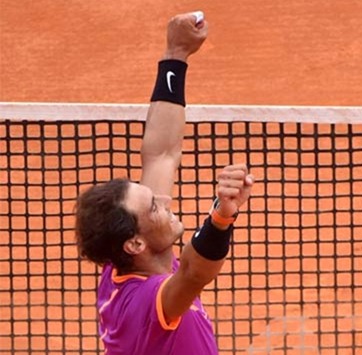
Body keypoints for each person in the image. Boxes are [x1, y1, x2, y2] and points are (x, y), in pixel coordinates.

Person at [74, 12, 253, 354]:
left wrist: (176, 56)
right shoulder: (146, 303)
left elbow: (160, 154)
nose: (164, 202)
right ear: (135, 244)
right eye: (153, 206)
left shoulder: (129, 257)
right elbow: (193, 274)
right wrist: (221, 216)